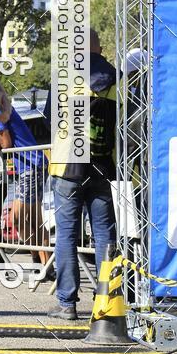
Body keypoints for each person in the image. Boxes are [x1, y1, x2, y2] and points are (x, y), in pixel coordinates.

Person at [44, 28, 118, 320]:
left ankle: (67, 303)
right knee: (104, 234)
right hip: (101, 166)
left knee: (67, 235)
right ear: (99, 48)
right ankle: (108, 301)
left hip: (67, 167)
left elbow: (51, 117)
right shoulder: (117, 78)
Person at [0, 74, 50, 270]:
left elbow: (6, 143)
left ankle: (45, 264)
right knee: (25, 219)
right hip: (29, 165)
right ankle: (41, 261)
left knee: (25, 218)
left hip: (30, 165)